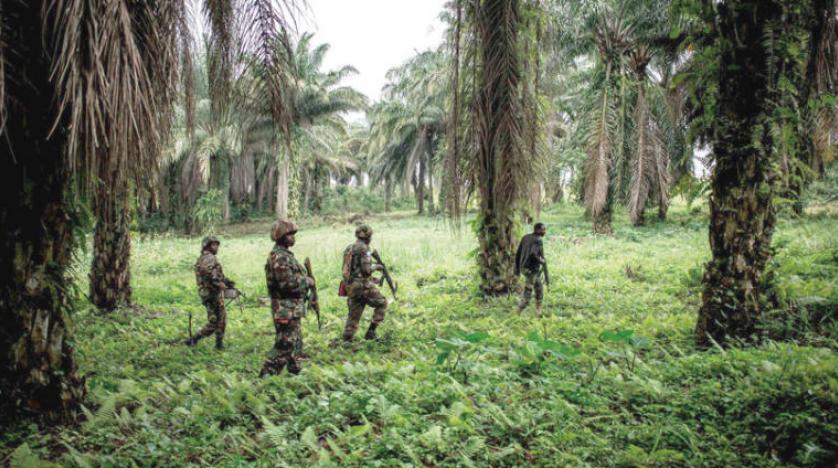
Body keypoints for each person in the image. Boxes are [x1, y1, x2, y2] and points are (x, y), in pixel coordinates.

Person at [260, 220, 314, 376]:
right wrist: (308, 281)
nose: (293, 238)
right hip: (285, 307)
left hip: (291, 306)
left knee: (295, 341)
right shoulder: (280, 257)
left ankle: (294, 373)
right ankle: (266, 375)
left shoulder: (285, 255)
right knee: (285, 344)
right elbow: (287, 284)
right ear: (282, 236)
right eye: (290, 235)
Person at [338, 224, 388, 342]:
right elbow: (366, 270)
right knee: (382, 303)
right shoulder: (365, 249)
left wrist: (372, 279)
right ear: (368, 237)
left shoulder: (349, 248)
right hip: (362, 286)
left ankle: (347, 340)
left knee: (354, 314)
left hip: (350, 286)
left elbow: (352, 269)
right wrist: (377, 266)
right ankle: (371, 332)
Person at [186, 235, 230, 350]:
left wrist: (226, 281)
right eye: (214, 245)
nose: (217, 248)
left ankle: (218, 344)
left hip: (207, 294)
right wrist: (220, 284)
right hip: (213, 294)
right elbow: (211, 275)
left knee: (218, 319)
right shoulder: (210, 258)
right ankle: (195, 339)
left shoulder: (202, 258)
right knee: (218, 321)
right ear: (208, 246)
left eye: (217, 245)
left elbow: (212, 274)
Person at [515, 222, 547, 315]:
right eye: (543, 229)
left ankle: (538, 311)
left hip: (523, 268)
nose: (544, 231)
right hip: (531, 270)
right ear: (537, 230)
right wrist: (541, 260)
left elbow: (518, 253)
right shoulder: (538, 240)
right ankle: (518, 311)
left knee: (539, 287)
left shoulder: (525, 237)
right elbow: (534, 253)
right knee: (528, 291)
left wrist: (517, 268)